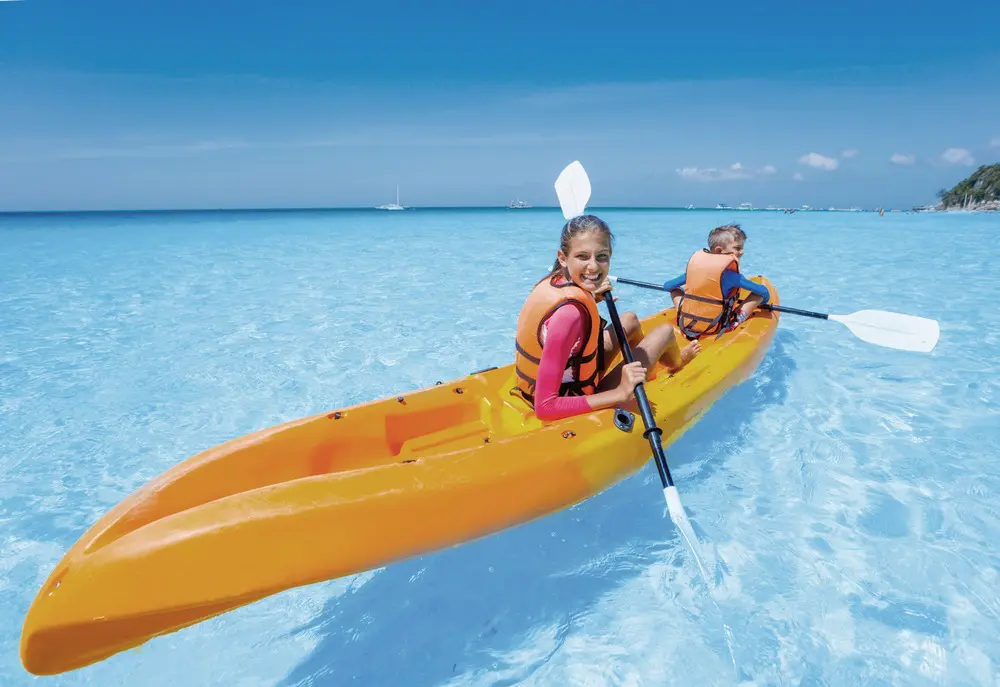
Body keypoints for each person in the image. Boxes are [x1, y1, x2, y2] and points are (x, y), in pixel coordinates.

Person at [513, 214, 701, 422]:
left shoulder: (556, 280)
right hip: (573, 395)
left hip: (572, 376)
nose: (593, 267)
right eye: (582, 257)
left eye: (601, 256)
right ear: (563, 257)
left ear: (610, 255)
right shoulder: (569, 315)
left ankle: (645, 373)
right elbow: (545, 407)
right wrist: (619, 393)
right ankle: (677, 363)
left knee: (629, 319)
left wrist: (592, 298)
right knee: (665, 332)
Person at [663, 223, 771, 340]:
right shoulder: (732, 276)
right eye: (738, 248)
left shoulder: (694, 271)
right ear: (719, 250)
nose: (742, 252)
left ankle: (683, 312)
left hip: (686, 322)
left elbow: (668, 286)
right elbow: (763, 292)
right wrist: (762, 302)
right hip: (717, 326)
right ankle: (734, 323)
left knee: (675, 290)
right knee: (757, 295)